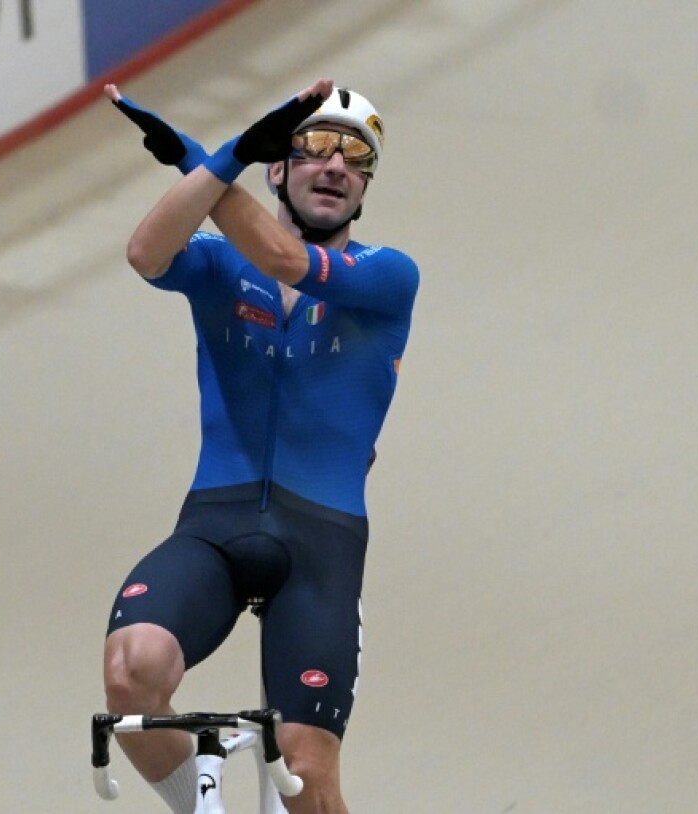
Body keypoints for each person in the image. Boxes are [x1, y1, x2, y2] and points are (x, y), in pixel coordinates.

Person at [100, 78, 419, 814]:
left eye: (356, 157)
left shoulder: (387, 275)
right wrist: (225, 157)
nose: (336, 166)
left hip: (320, 545)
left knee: (306, 779)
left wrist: (202, 159)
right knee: (131, 672)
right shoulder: (218, 266)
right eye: (312, 149)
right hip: (216, 523)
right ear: (277, 170)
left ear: (367, 184)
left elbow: (281, 258)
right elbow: (147, 252)